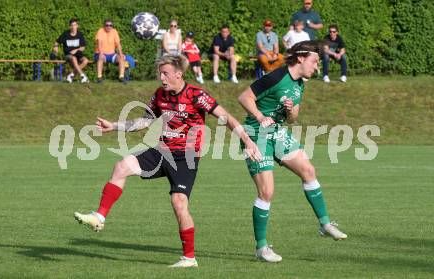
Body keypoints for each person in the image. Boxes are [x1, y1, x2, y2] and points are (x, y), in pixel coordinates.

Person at [74, 54, 261, 268]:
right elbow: (144, 120)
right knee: (121, 166)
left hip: (186, 157)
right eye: (160, 73)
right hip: (163, 151)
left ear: (178, 74)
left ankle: (189, 258)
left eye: (166, 73)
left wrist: (247, 140)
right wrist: (114, 126)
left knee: (179, 203)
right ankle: (99, 216)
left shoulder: (196, 95)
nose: (161, 78)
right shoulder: (159, 95)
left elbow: (226, 117)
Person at [237, 41, 347, 263]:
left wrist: (289, 110)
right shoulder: (275, 77)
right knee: (267, 192)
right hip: (256, 134)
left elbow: (294, 118)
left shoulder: (300, 84)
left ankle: (325, 224)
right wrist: (260, 117)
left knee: (308, 170)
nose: (317, 67)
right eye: (315, 61)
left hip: (277, 132)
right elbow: (244, 97)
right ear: (301, 58)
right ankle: (261, 247)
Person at [53, 18, 89, 83]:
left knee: (86, 60)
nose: (73, 27)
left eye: (75, 25)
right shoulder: (65, 34)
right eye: (72, 25)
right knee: (73, 58)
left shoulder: (80, 34)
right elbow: (57, 41)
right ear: (70, 26)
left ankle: (70, 75)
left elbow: (83, 47)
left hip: (78, 54)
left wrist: (76, 50)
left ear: (77, 26)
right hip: (68, 55)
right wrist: (55, 47)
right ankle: (83, 76)